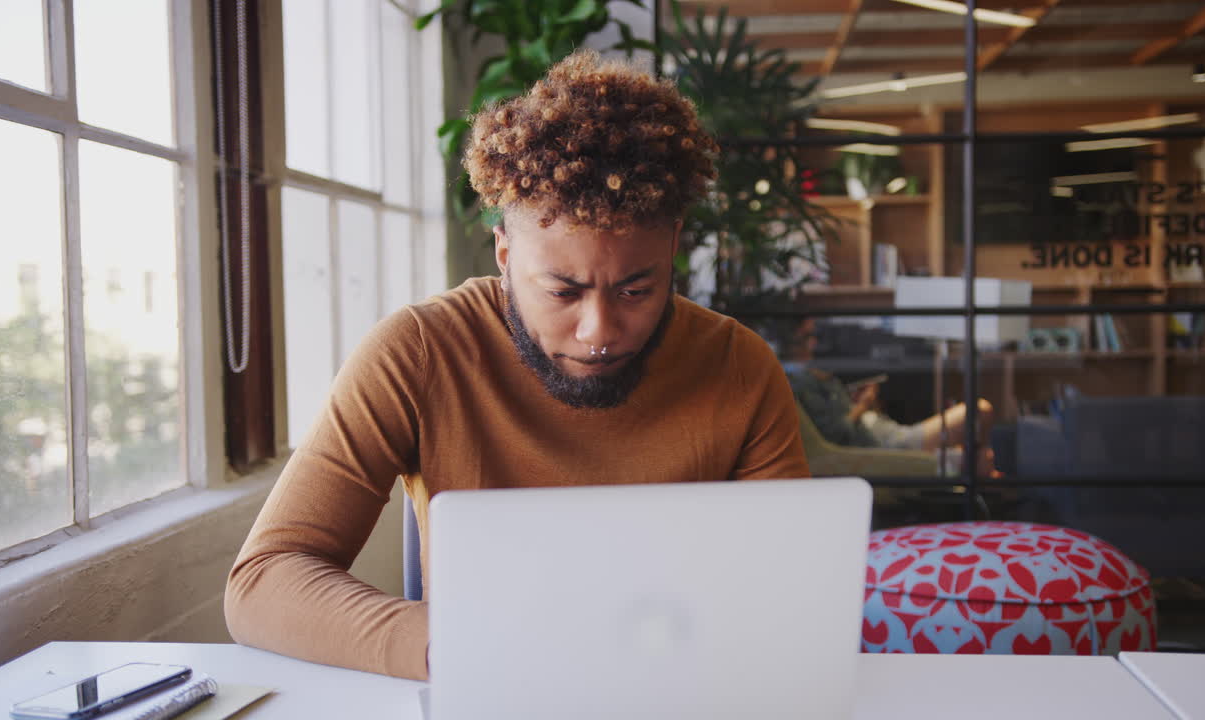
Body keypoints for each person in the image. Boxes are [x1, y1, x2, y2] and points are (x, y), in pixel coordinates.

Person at [224, 50, 809, 681]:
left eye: (636, 290)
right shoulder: (417, 353)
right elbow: (263, 581)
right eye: (562, 291)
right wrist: (451, 644)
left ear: (673, 248)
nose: (600, 332)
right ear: (503, 252)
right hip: (489, 684)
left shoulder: (738, 366)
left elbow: (791, 594)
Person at [779, 317, 995, 472]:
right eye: (809, 336)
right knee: (980, 412)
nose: (815, 343)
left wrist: (860, 403)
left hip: (887, 431)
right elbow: (837, 433)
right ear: (792, 342)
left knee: (979, 453)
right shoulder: (800, 383)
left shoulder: (812, 374)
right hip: (889, 443)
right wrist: (863, 405)